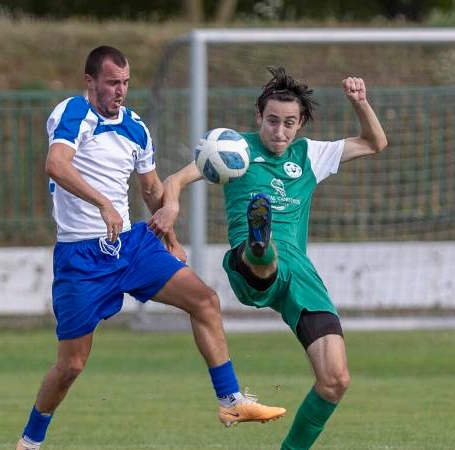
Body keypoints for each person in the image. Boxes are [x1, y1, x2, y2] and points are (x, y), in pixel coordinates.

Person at [15, 46, 286, 450]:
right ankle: (30, 442)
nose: (120, 91)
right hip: (81, 257)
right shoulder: (73, 113)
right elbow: (56, 164)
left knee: (205, 301)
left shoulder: (136, 127)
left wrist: (171, 236)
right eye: (111, 83)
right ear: (90, 82)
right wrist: (103, 203)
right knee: (71, 365)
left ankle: (231, 401)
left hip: (132, 246)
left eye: (125, 82)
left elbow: (151, 189)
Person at [149, 67, 387, 450]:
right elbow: (175, 180)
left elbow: (375, 142)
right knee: (262, 254)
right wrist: (171, 206)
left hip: (301, 274)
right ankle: (262, 240)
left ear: (301, 123)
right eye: (272, 121)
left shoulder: (311, 154)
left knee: (336, 380)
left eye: (289, 123)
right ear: (259, 116)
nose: (279, 131)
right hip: (248, 261)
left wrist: (360, 102)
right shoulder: (232, 148)